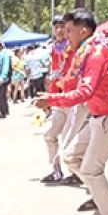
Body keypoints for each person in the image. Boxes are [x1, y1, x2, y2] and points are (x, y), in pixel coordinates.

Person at [35, 9, 108, 215]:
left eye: (69, 30)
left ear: (84, 31)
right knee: (70, 157)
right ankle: (98, 195)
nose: (64, 34)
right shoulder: (85, 52)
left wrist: (52, 99)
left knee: (91, 169)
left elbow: (85, 91)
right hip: (99, 118)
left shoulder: (95, 54)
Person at [40, 16, 72, 184]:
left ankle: (77, 173)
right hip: (59, 99)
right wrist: (49, 100)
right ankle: (56, 171)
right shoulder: (53, 48)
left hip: (75, 99)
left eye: (62, 26)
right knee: (49, 135)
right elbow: (54, 74)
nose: (59, 30)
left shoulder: (74, 46)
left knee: (72, 139)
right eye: (56, 27)